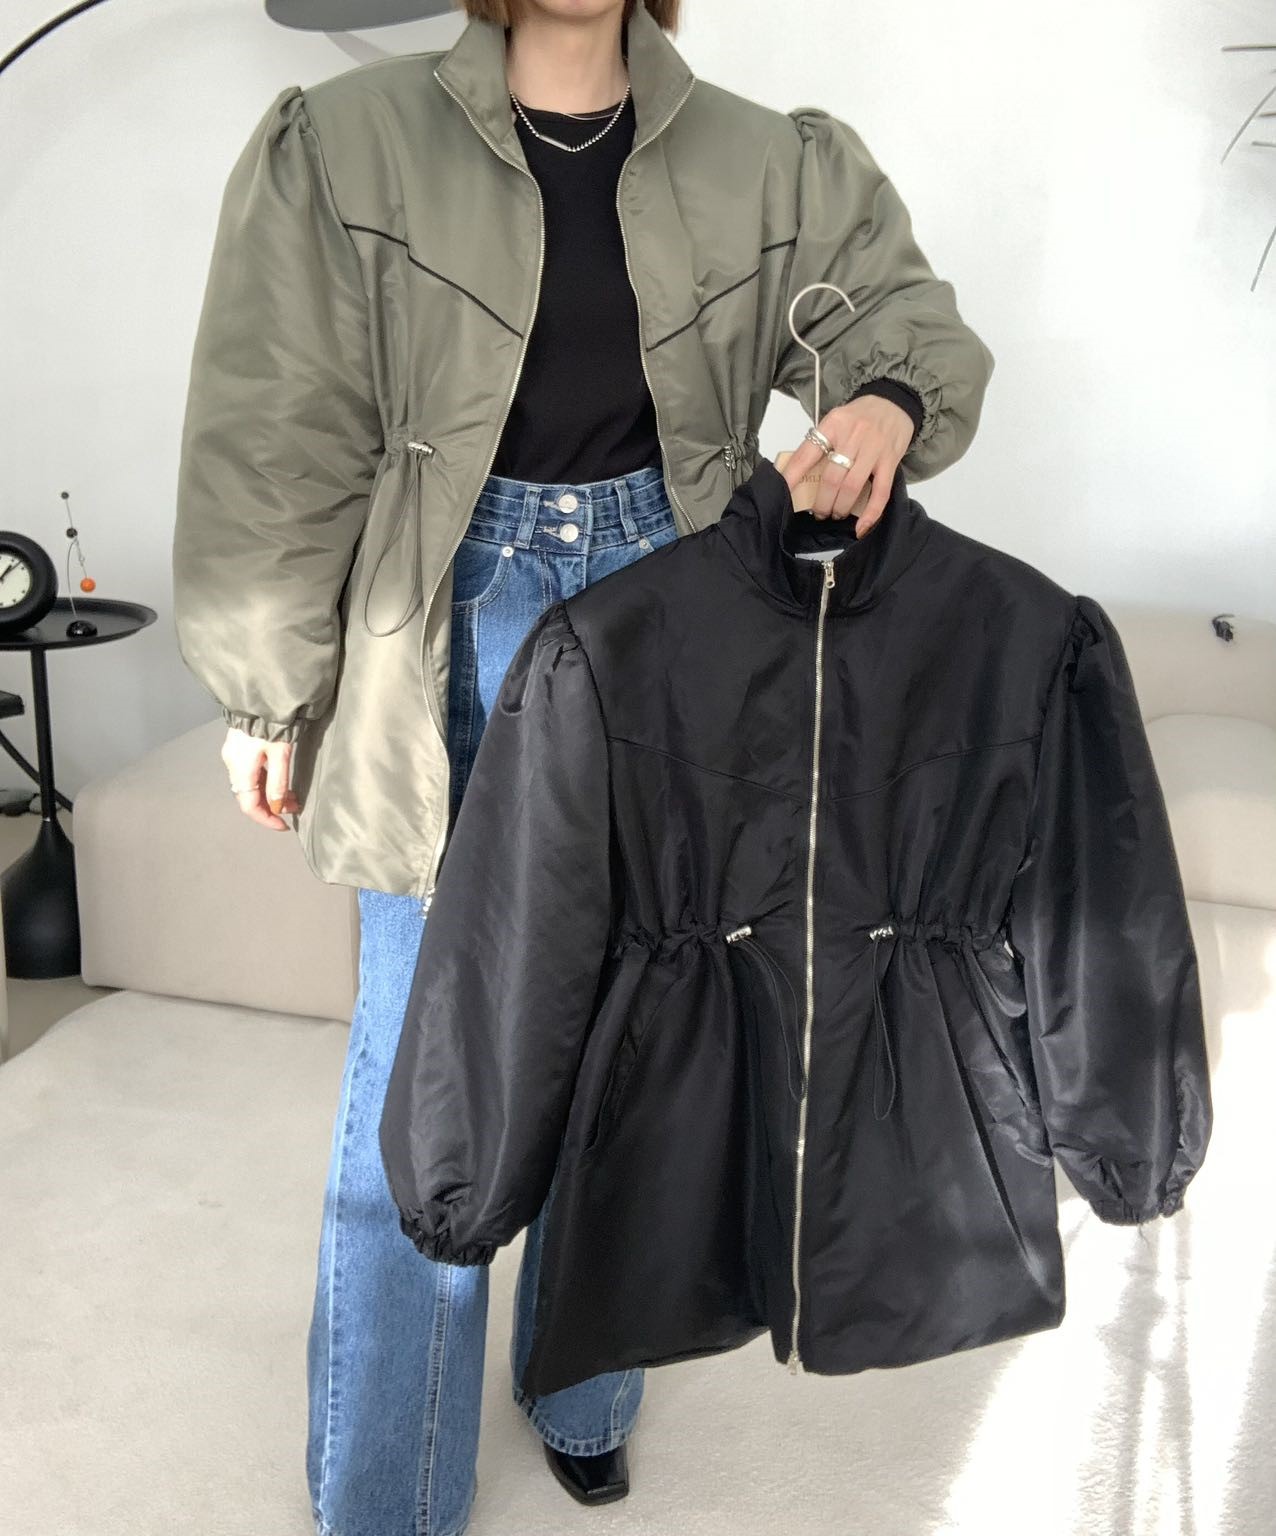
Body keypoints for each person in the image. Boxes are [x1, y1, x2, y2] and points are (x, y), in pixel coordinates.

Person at [171, 1, 994, 1532]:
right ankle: (389, 1496)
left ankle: (583, 1384)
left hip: (673, 607)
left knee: (644, 1042)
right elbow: (278, 423)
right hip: (452, 613)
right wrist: (265, 688)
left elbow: (903, 323)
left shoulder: (770, 160)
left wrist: (883, 398)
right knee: (429, 1069)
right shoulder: (344, 144)